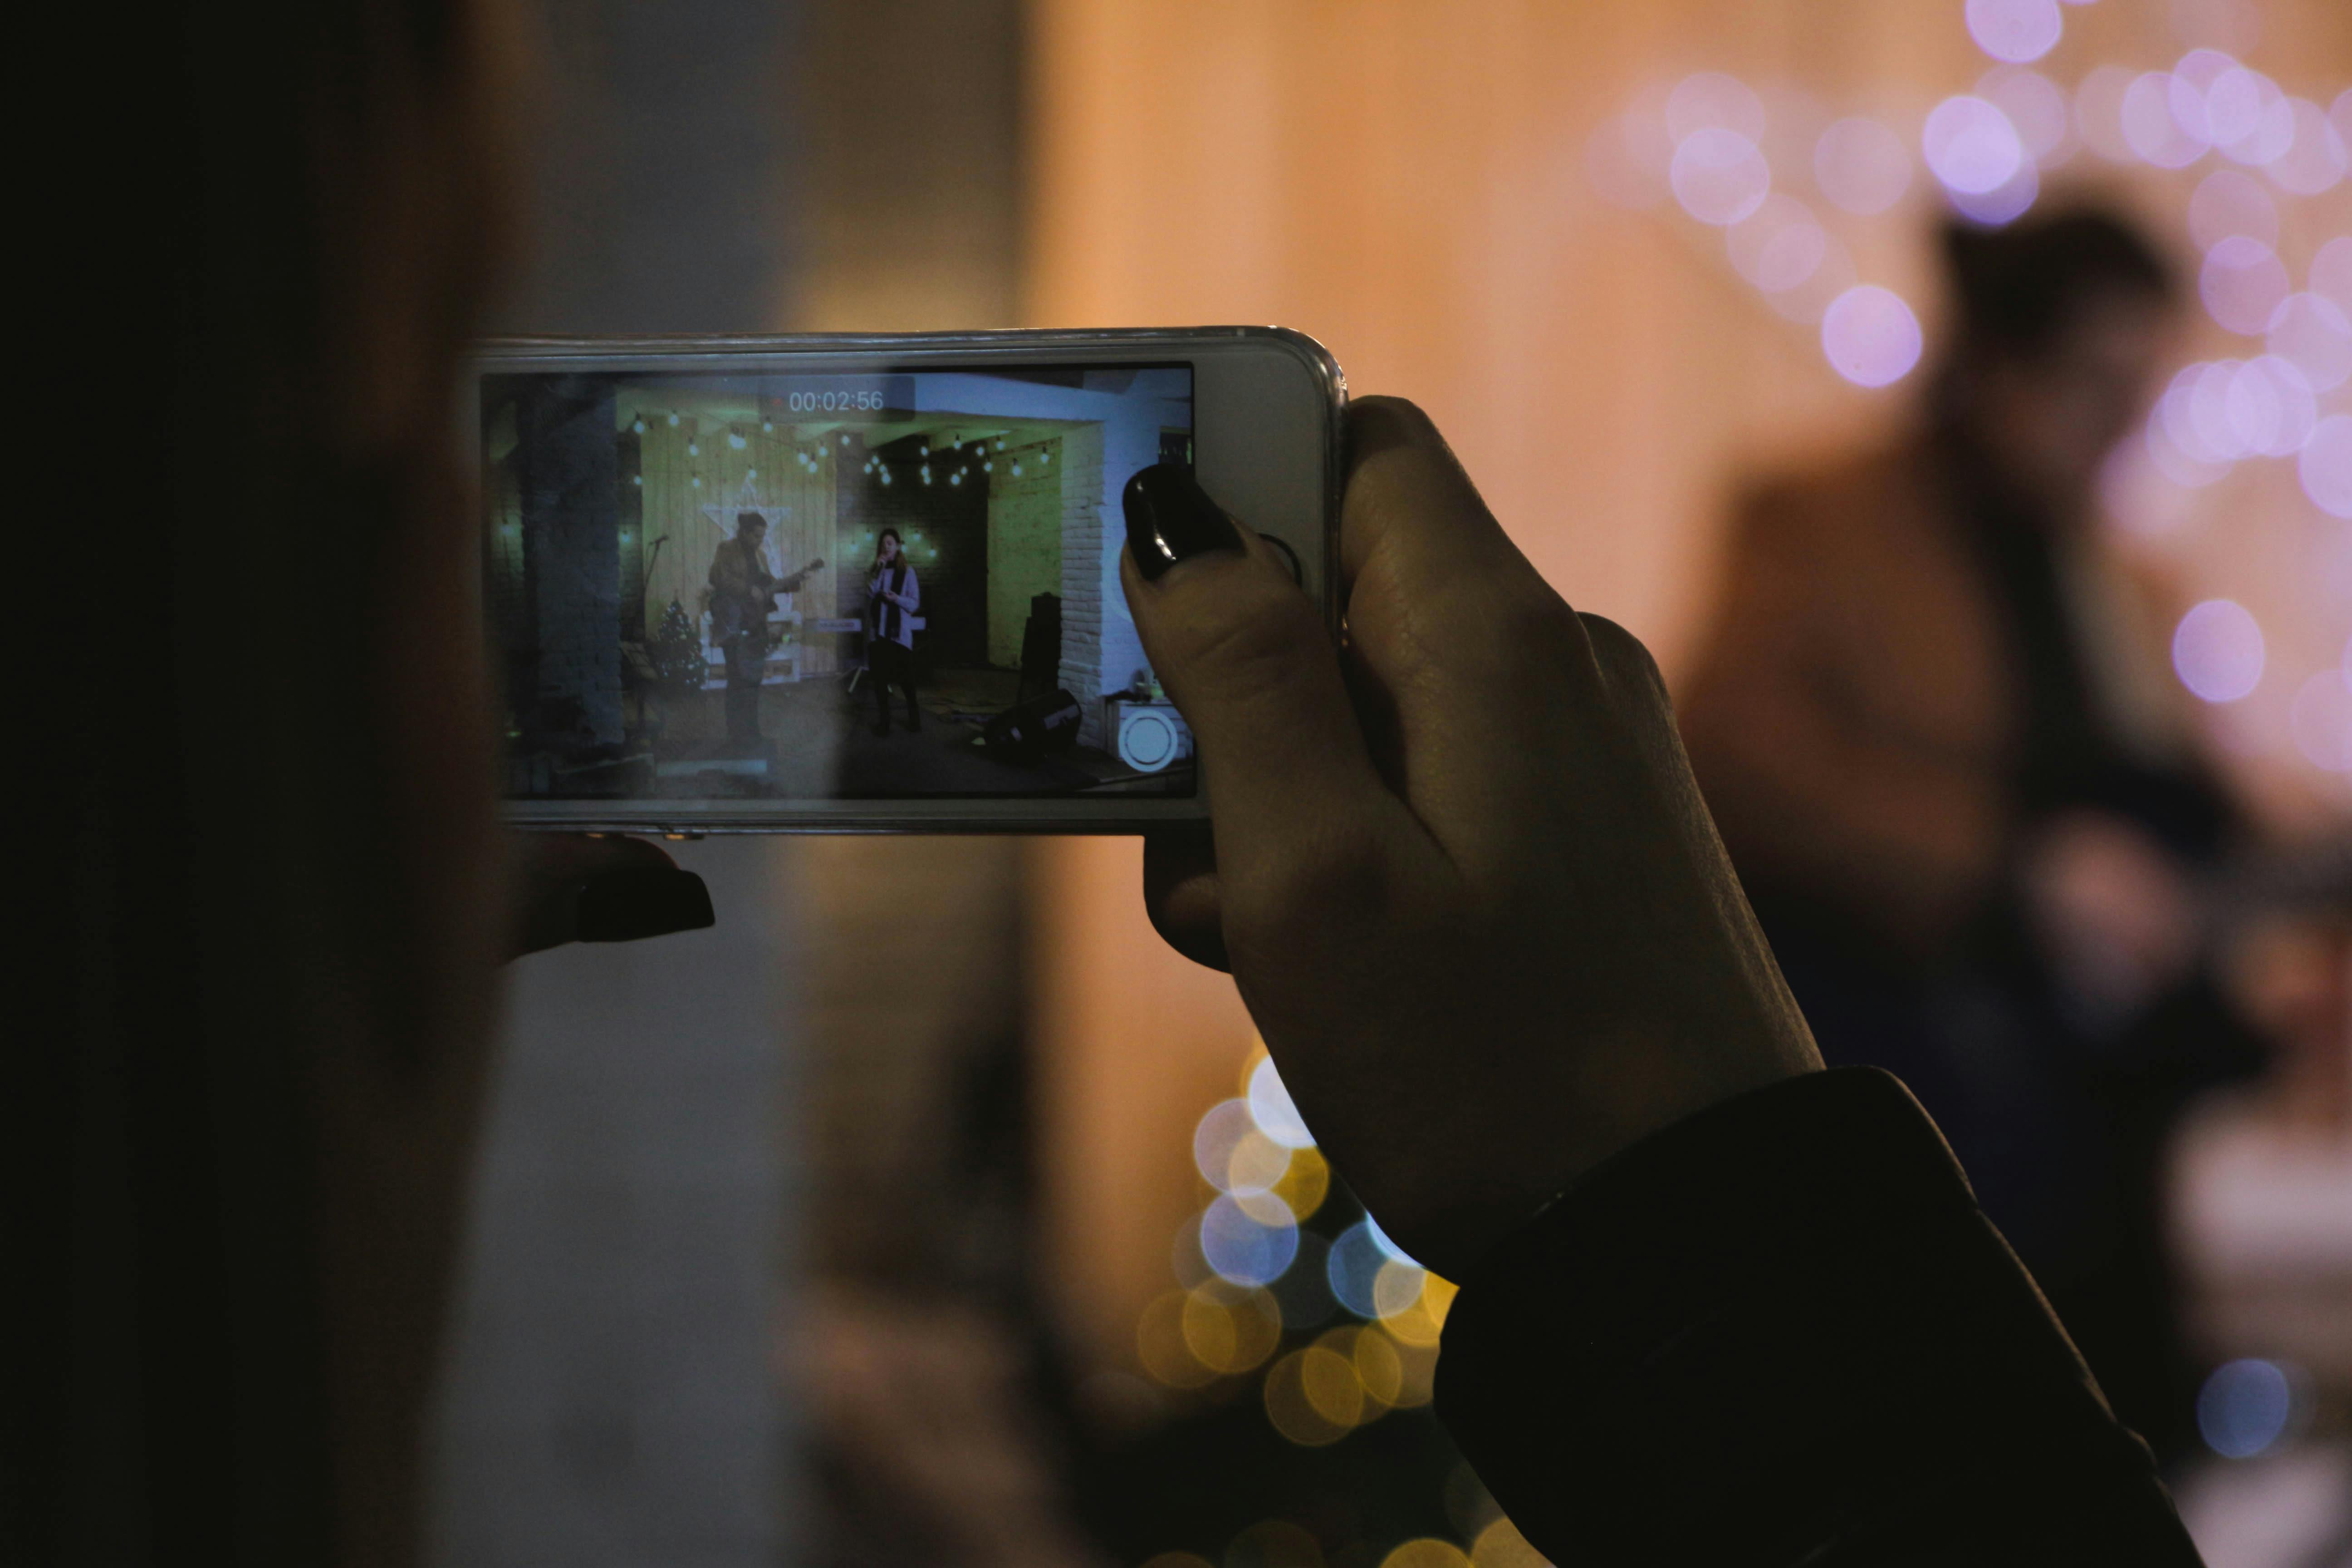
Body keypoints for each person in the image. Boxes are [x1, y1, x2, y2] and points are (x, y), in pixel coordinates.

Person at [68, 4, 2208, 1562]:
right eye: (362, 512)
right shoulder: (1832, 512)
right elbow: (1768, 743)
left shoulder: (2110, 571)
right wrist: (1684, 1180)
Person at [1676, 209, 2259, 1457]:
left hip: (2092, 1154)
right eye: (2097, 383)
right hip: (1905, 1110)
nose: (2123, 425)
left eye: (2142, 388)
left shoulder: (2124, 581)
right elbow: (1729, 748)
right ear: (1998, 360)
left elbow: (2195, 817)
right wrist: (2010, 867)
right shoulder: (1821, 519)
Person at [707, 510, 821, 747]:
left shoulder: (760, 556)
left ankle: (752, 734)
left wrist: (797, 580)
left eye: (762, 537)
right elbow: (719, 578)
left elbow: (769, 586)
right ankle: (736, 736)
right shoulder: (726, 549)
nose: (760, 541)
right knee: (737, 681)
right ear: (745, 533)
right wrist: (749, 590)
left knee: (753, 682)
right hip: (733, 624)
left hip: (756, 625)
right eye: (757, 536)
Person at [866, 526, 921, 736]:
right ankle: (884, 723)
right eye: (883, 544)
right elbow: (870, 592)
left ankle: (915, 721)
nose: (886, 547)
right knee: (880, 682)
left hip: (899, 636)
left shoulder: (908, 572)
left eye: (890, 543)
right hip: (879, 634)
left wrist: (896, 599)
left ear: (898, 546)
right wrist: (877, 569)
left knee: (907, 682)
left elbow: (914, 604)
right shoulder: (876, 569)